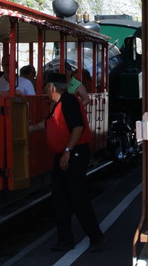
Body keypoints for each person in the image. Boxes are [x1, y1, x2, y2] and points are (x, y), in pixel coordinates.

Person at [29, 72, 103, 252]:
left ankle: (96, 238)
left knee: (77, 197)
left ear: (52, 88)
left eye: (46, 88)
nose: (46, 92)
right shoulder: (58, 105)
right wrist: (28, 128)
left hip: (73, 154)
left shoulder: (69, 102)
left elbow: (78, 127)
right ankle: (64, 239)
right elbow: (48, 124)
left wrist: (68, 152)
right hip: (64, 155)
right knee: (60, 197)